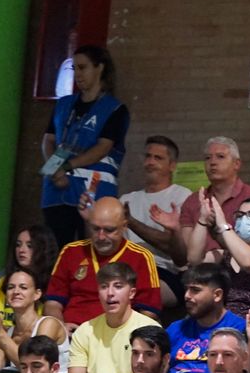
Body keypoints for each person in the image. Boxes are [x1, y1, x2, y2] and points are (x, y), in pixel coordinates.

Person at [40, 44, 128, 247]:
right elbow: (48, 140)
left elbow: (103, 147)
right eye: (75, 69)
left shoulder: (115, 109)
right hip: (56, 191)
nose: (78, 74)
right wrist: (54, 170)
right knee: (54, 251)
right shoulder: (63, 105)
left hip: (93, 189)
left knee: (91, 250)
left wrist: (65, 167)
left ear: (99, 68)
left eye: (83, 67)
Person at [46, 199, 160, 328]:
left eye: (109, 230)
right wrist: (61, 329)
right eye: (95, 229)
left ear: (124, 226)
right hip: (72, 332)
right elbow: (53, 303)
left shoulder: (141, 257)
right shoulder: (71, 251)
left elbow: (148, 312)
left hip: (117, 334)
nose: (101, 236)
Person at [183, 194, 250, 318]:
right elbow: (194, 260)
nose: (244, 219)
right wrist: (202, 220)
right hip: (221, 321)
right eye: (240, 216)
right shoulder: (225, 255)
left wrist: (223, 225)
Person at [119, 134, 191, 299]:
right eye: (148, 156)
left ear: (172, 165)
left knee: (134, 292)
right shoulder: (126, 199)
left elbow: (174, 247)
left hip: (163, 271)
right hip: (126, 270)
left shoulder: (182, 196)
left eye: (158, 158)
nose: (151, 162)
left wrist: (131, 222)